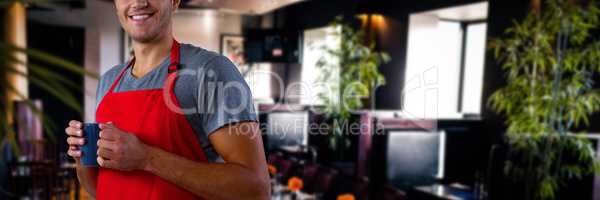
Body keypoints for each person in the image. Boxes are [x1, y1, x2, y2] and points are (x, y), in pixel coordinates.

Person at [64, 0, 270, 199]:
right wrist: (82, 158)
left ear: (174, 1)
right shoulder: (108, 81)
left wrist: (147, 158)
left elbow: (255, 190)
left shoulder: (210, 71)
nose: (138, 2)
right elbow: (101, 189)